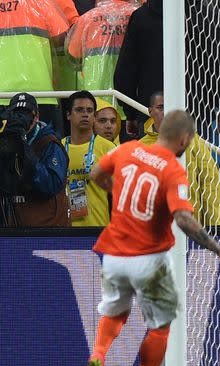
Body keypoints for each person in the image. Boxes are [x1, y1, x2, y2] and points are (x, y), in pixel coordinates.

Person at [86, 110, 220, 366]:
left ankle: (98, 356)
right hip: (148, 258)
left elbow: (95, 174)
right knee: (160, 326)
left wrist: (117, 190)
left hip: (113, 254)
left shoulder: (129, 148)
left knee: (115, 312)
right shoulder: (172, 170)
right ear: (184, 139)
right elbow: (183, 219)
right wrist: (219, 249)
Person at [139, 92, 220, 226]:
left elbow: (210, 183)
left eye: (170, 107)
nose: (165, 112)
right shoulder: (140, 147)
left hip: (189, 228)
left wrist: (216, 227)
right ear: (150, 111)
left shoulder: (192, 141)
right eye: (160, 107)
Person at [1, 93, 70, 228]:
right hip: (16, 228)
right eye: (16, 114)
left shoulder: (50, 143)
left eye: (26, 114)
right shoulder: (8, 140)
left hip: (48, 231)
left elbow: (52, 184)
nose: (21, 119)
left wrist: (23, 149)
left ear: (37, 116)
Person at [0, 0, 70, 131]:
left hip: (2, 94)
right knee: (44, 146)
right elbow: (62, 38)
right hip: (40, 93)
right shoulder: (42, 3)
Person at [66, 0, 140, 107]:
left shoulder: (87, 18)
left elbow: (73, 54)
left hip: (96, 99)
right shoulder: (137, 15)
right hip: (131, 101)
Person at [61, 91, 114, 226]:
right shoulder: (58, 147)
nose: (85, 114)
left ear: (94, 116)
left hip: (98, 229)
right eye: (79, 110)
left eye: (89, 111)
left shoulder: (108, 148)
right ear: (68, 115)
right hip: (64, 231)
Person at [113, 0, 162, 138]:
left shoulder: (142, 17)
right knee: (194, 157)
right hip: (195, 113)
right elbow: (216, 63)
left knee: (152, 158)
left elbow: (126, 69)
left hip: (148, 111)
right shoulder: (202, 15)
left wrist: (131, 112)